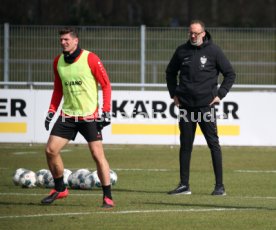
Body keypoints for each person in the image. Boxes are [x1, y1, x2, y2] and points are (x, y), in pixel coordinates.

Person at [41, 27, 114, 208]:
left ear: (76, 41)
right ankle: (60, 188)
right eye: (61, 40)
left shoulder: (91, 58)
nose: (63, 42)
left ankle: (107, 197)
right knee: (50, 150)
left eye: (67, 39)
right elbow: (58, 89)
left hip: (89, 116)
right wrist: (51, 111)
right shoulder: (58, 61)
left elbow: (106, 85)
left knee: (98, 155)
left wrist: (105, 111)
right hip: (67, 115)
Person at [166, 20, 236, 196]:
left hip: (206, 107)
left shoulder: (214, 51)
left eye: (196, 33)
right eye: (190, 32)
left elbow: (230, 73)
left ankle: (219, 186)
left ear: (203, 33)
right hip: (186, 107)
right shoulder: (182, 51)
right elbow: (170, 72)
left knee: (213, 145)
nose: (192, 36)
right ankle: (184, 185)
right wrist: (174, 93)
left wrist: (220, 94)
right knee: (185, 145)